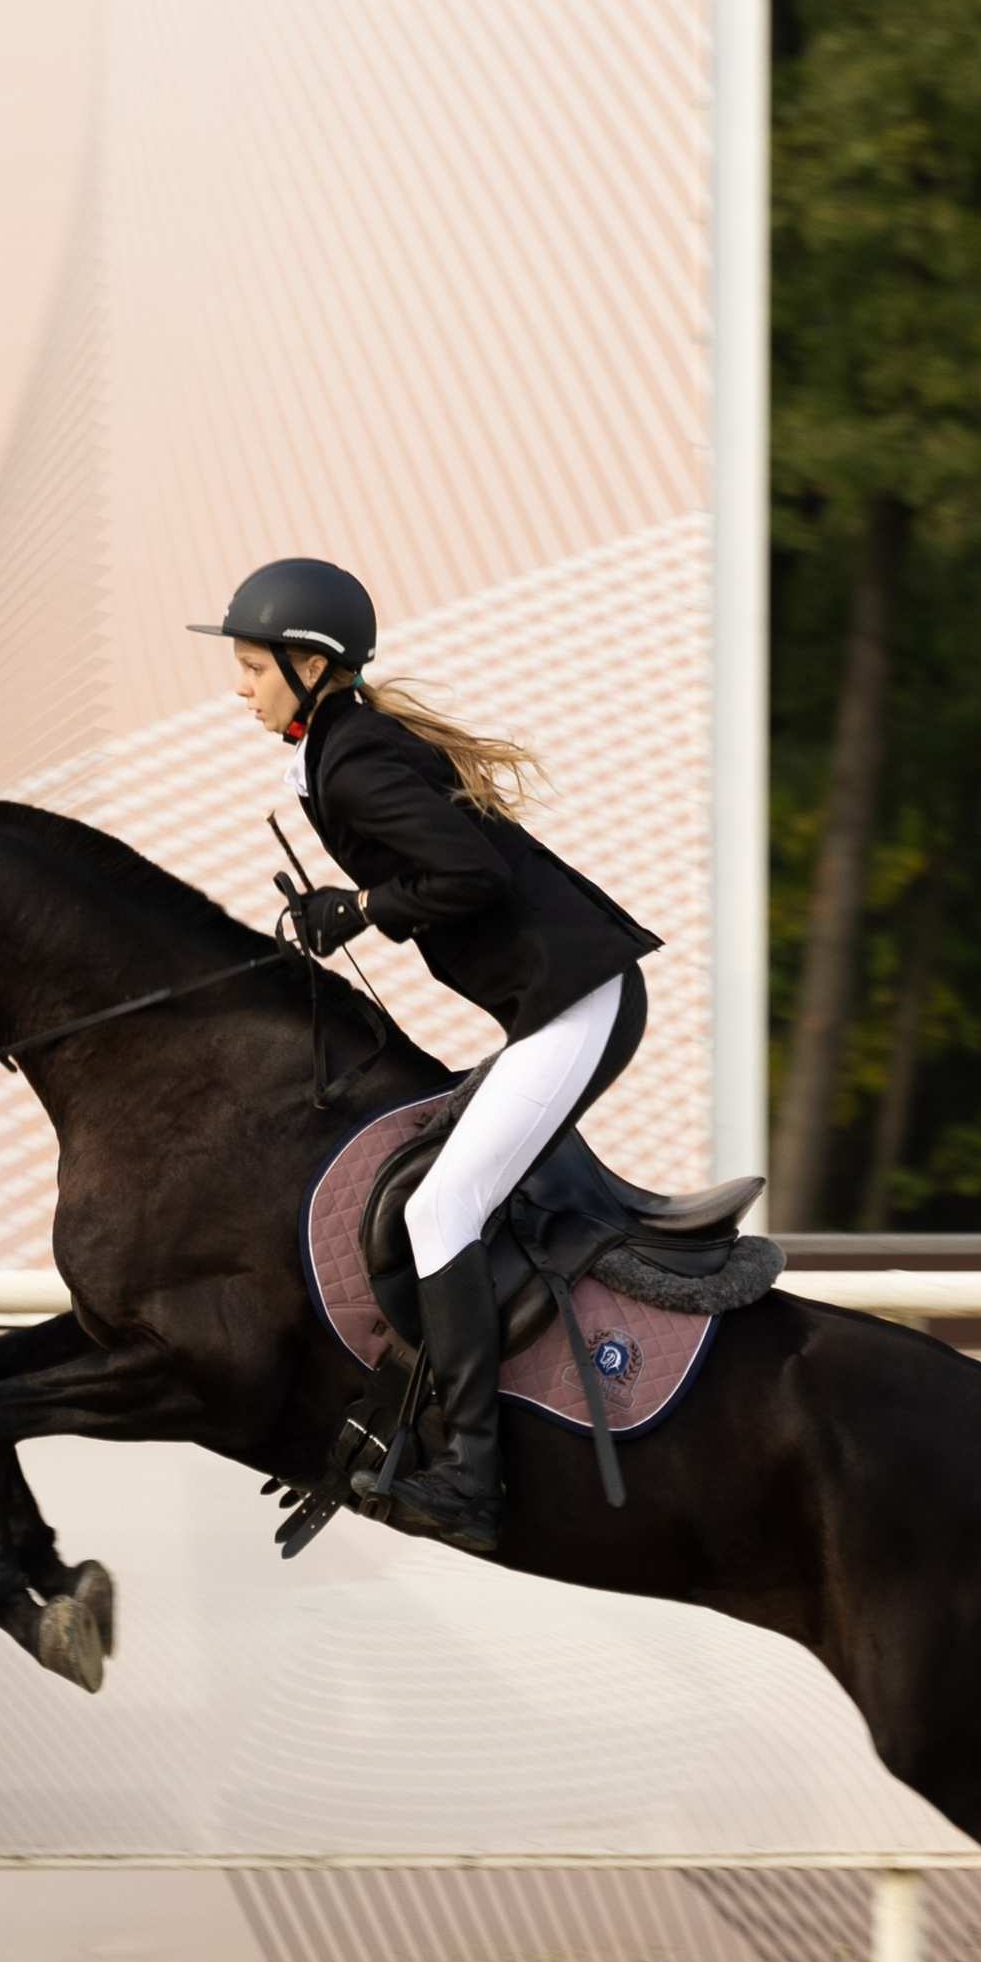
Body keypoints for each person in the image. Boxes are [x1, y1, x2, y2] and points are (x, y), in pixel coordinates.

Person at [193, 557, 658, 1555]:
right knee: (431, 1182)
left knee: (440, 1207)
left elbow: (470, 872)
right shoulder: (339, 745)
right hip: (558, 1003)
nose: (240, 687)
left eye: (252, 667)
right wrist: (355, 906)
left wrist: (360, 906)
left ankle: (475, 1476)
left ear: (312, 666)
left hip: (579, 1003)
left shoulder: (352, 759)